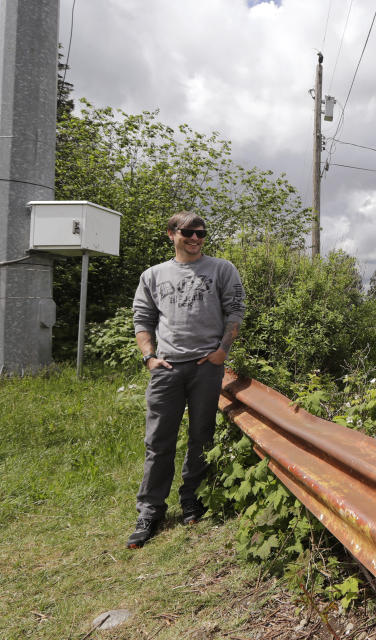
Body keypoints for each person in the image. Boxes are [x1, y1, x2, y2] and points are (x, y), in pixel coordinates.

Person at [127, 211, 245, 549]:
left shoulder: (222, 269)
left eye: (201, 233)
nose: (195, 239)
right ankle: (150, 511)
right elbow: (143, 317)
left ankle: (192, 498)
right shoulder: (152, 275)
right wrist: (149, 357)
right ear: (171, 234)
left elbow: (235, 310)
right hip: (166, 369)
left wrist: (223, 350)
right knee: (159, 442)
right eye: (188, 233)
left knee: (201, 436)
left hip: (206, 367)